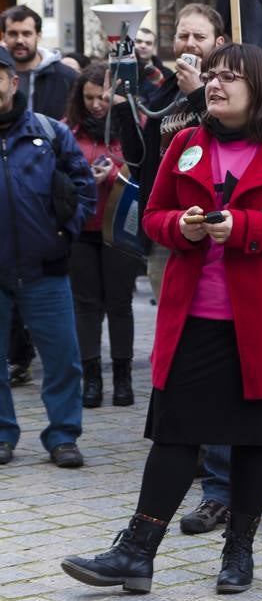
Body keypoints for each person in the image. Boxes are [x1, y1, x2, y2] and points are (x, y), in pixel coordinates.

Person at [61, 44, 262, 594]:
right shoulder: (185, 144)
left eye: (230, 78)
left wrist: (244, 226)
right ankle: (136, 553)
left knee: (255, 440)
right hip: (196, 316)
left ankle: (238, 553)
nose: (215, 85)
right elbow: (152, 217)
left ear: (260, 89)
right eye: (213, 76)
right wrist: (183, 227)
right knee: (175, 434)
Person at [0, 43, 93, 466]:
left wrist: (65, 233)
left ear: (12, 81)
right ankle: (3, 435)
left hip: (46, 268)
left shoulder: (48, 130)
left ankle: (62, 436)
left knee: (62, 359)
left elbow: (82, 183)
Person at [129, 4, 228, 300]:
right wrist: (122, 108)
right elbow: (141, 160)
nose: (190, 44)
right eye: (183, 35)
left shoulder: (226, 86)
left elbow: (228, 137)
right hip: (169, 223)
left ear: (218, 42)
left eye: (200, 36)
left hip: (213, 223)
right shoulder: (167, 89)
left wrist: (198, 93)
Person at [65, 63, 135, 409]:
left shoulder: (130, 127)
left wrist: (113, 176)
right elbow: (55, 178)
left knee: (120, 304)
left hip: (119, 229)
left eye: (102, 98)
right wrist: (79, 181)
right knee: (86, 305)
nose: (96, 104)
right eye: (89, 98)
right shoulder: (66, 131)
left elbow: (143, 171)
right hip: (81, 229)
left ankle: (123, 376)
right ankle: (91, 377)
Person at [3, 4, 77, 117]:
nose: (19, 40)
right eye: (13, 34)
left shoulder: (67, 77)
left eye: (26, 34)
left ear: (38, 36)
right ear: (4, 36)